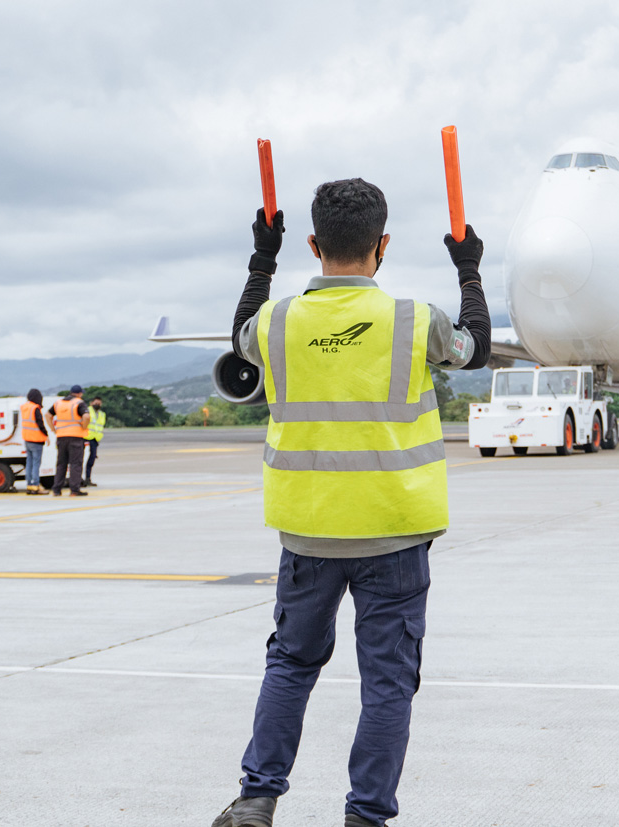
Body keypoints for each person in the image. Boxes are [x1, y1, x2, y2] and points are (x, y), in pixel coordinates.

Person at [210, 179, 490, 827]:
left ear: (313, 243)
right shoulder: (416, 321)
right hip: (394, 529)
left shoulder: (277, 321)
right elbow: (474, 346)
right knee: (387, 682)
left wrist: (263, 259)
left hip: (308, 530)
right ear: (382, 244)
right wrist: (468, 269)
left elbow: (239, 333)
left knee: (291, 663)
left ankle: (257, 796)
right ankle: (365, 815)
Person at [49, 385, 89, 497]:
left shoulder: (58, 403)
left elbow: (48, 415)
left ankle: (56, 490)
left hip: (61, 437)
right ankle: (74, 490)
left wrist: (53, 429)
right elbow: (86, 417)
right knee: (75, 464)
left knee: (61, 464)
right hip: (75, 437)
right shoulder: (79, 403)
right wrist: (84, 427)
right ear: (79, 393)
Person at [21, 389, 49, 495]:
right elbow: (40, 424)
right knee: (36, 464)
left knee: (29, 463)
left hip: (27, 439)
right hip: (36, 440)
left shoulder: (24, 407)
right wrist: (46, 435)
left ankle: (29, 485)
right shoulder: (35, 408)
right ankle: (36, 485)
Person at [81, 396, 105, 487]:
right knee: (80, 459)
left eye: (99, 403)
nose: (97, 405)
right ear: (91, 403)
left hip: (95, 439)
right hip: (86, 437)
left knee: (91, 460)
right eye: (96, 403)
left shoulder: (102, 414)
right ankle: (79, 479)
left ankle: (88, 478)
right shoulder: (87, 411)